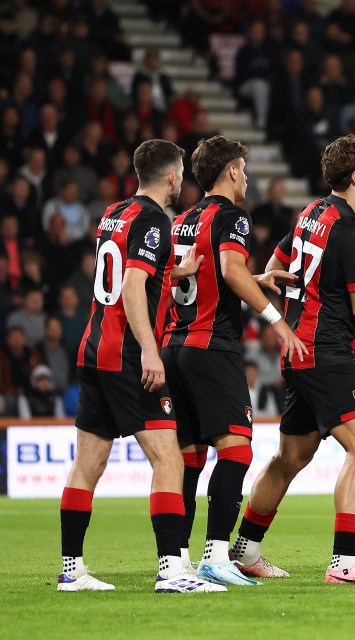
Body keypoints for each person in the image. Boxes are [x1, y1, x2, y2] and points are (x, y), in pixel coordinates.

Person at [230, 135, 355, 584]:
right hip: (325, 352)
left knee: (291, 456)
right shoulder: (352, 230)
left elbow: (278, 264)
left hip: (298, 352)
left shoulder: (311, 213)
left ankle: (245, 550)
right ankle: (346, 561)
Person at [58, 139, 222, 592]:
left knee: (87, 464)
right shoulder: (153, 220)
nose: (183, 181)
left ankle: (71, 570)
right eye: (182, 173)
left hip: (93, 351)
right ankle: (172, 570)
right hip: (129, 355)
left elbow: (130, 271)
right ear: (171, 175)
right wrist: (151, 351)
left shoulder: (116, 213)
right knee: (168, 457)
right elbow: (133, 287)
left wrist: (178, 268)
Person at [160, 136, 306, 587]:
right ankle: (217, 555)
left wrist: (255, 275)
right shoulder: (232, 216)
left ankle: (177, 560)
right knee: (236, 450)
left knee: (188, 459)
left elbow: (197, 274)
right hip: (211, 346)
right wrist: (277, 320)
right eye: (243, 167)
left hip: (175, 346)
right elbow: (227, 270)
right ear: (231, 171)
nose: (247, 176)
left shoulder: (183, 219)